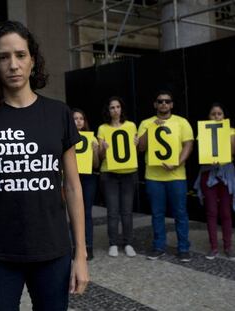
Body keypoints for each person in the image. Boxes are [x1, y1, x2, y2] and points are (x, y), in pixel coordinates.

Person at [0, 21, 89, 311]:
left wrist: (80, 255)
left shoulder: (58, 113)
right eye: (4, 57)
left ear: (33, 60)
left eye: (20, 55)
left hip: (53, 251)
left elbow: (73, 186)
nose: (13, 65)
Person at [138, 90, 194, 262]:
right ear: (155, 104)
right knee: (157, 214)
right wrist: (151, 129)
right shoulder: (146, 123)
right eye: (160, 101)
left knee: (181, 213)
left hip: (176, 175)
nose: (163, 104)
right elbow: (141, 147)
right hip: (154, 177)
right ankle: (158, 246)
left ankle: (183, 248)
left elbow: (188, 145)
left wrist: (177, 162)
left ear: (171, 104)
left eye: (167, 101)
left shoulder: (182, 122)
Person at [194, 103, 235, 260]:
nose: (217, 117)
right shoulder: (203, 131)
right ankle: (213, 247)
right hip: (208, 172)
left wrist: (228, 135)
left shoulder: (231, 131)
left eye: (220, 114)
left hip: (226, 173)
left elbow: (233, 151)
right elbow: (201, 154)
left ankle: (228, 247)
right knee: (211, 211)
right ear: (208, 116)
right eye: (213, 114)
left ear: (224, 116)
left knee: (226, 212)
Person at [98, 97, 138, 258]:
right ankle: (113, 243)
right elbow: (100, 156)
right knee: (113, 211)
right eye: (112, 107)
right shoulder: (102, 128)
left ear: (122, 109)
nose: (115, 110)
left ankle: (128, 243)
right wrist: (103, 149)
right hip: (109, 173)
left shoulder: (131, 126)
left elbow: (136, 149)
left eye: (118, 107)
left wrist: (136, 142)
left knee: (127, 211)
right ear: (108, 111)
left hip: (129, 172)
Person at [72, 108, 99, 260]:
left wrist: (95, 151)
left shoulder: (91, 138)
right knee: (71, 214)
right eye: (75, 118)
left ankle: (88, 246)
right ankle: (74, 246)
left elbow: (95, 165)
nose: (78, 121)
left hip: (88, 178)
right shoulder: (65, 137)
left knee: (86, 213)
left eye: (81, 118)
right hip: (71, 178)